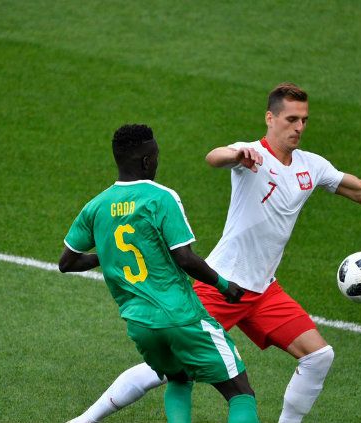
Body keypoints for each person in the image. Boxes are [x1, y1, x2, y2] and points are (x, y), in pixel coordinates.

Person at [68, 83, 361, 423]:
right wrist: (237, 152)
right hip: (222, 285)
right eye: (291, 119)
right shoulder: (251, 156)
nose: (299, 127)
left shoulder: (311, 166)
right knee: (164, 370)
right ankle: (86, 419)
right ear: (270, 118)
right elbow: (215, 158)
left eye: (304, 120)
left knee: (319, 356)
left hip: (263, 291)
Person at [59, 123, 260, 422]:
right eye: (156, 156)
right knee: (240, 393)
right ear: (146, 161)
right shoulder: (161, 197)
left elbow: (67, 263)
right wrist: (223, 285)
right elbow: (185, 258)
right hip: (180, 316)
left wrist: (105, 253)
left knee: (179, 378)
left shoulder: (96, 207)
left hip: (140, 324)